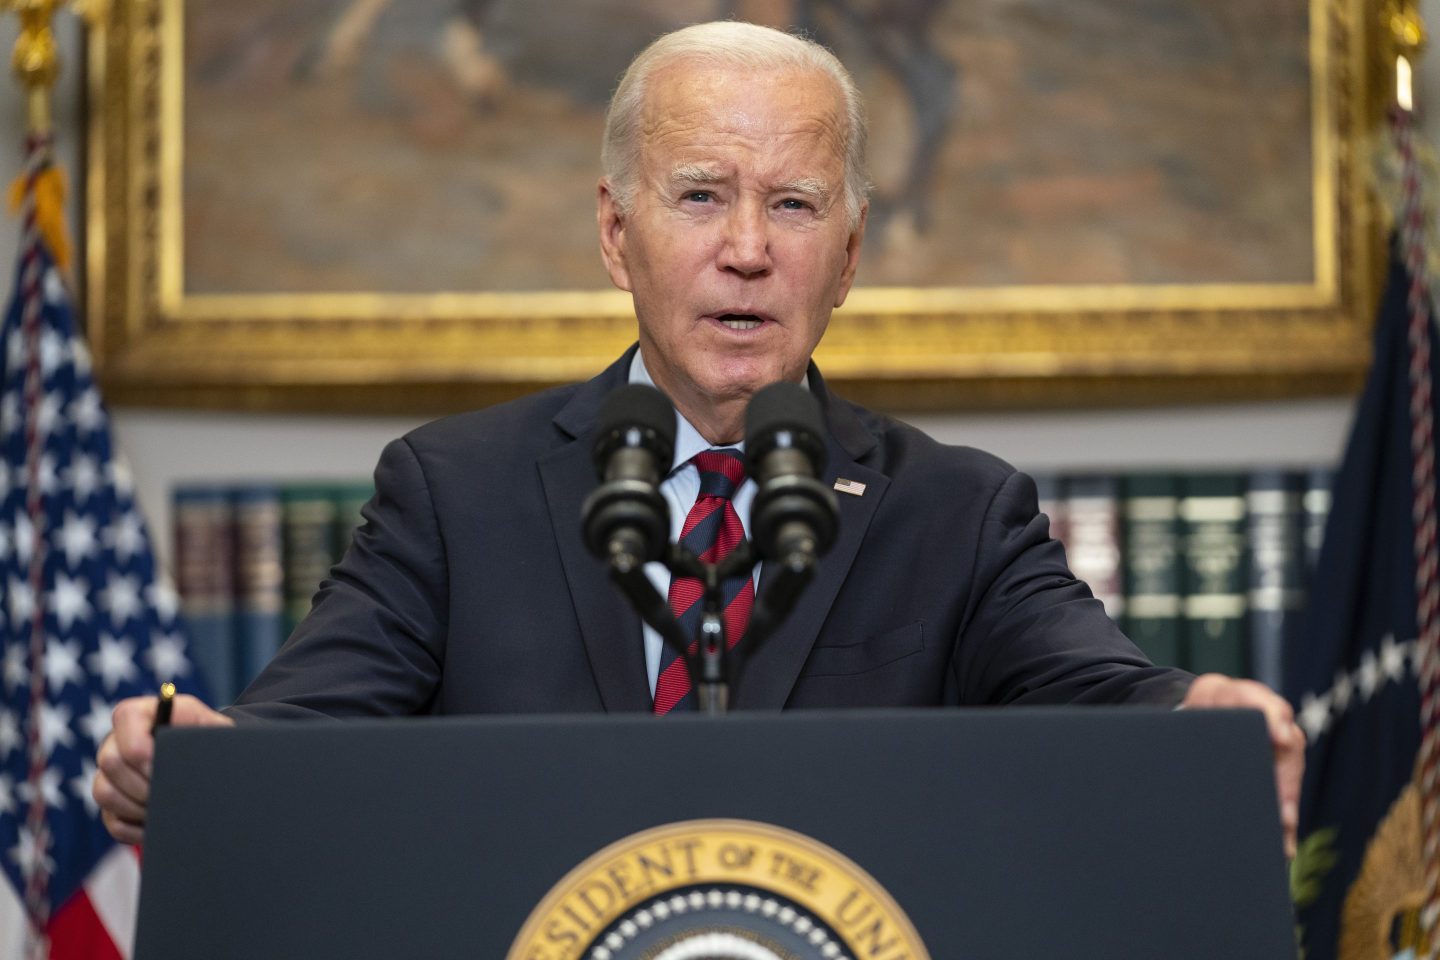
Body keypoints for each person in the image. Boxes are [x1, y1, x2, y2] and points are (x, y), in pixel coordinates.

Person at [94, 21, 1303, 852]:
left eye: (792, 204)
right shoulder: (454, 495)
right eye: (700, 195)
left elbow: (1095, 693)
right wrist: (198, 755)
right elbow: (303, 727)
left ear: (850, 255)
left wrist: (1194, 721)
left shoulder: (959, 514)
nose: (747, 249)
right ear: (616, 236)